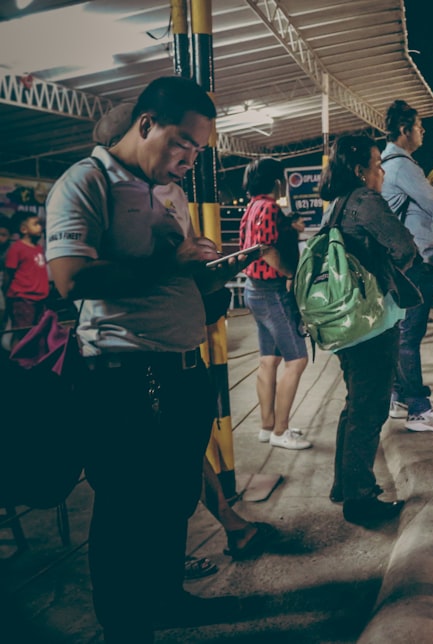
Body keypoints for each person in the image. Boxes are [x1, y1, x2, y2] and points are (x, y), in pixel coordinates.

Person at [44, 75, 243, 642]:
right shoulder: (84, 183)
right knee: (127, 509)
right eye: (181, 143)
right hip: (126, 375)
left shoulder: (171, 190)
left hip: (183, 368)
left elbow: (173, 269)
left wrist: (207, 274)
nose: (188, 158)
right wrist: (175, 265)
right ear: (146, 124)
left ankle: (166, 599)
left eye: (199, 150)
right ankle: (125, 626)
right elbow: (70, 278)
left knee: (174, 499)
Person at [319, 134, 421, 524]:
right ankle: (359, 499)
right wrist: (382, 277)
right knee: (370, 407)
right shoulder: (366, 200)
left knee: (354, 403)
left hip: (345, 320)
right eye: (377, 165)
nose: (382, 172)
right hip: (370, 321)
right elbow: (405, 248)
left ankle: (344, 484)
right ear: (361, 170)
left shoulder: (337, 205)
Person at [379, 99, 433, 433]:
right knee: (409, 334)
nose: (423, 132)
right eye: (420, 126)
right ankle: (419, 409)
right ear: (405, 130)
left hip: (398, 262)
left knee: (400, 332)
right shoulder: (402, 166)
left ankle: (397, 396)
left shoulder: (388, 164)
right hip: (412, 263)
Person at [239, 157, 311, 450]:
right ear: (277, 181)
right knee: (298, 359)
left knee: (269, 360)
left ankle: (268, 426)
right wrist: (291, 273)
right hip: (271, 291)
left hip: (253, 289)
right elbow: (266, 250)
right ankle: (281, 431)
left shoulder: (252, 207)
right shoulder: (268, 208)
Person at [3, 210, 50, 346]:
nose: (40, 227)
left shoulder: (39, 248)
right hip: (23, 298)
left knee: (38, 332)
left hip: (40, 298)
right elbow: (8, 274)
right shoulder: (17, 248)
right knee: (23, 333)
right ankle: (17, 363)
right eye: (35, 224)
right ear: (24, 229)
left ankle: (33, 362)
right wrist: (7, 295)